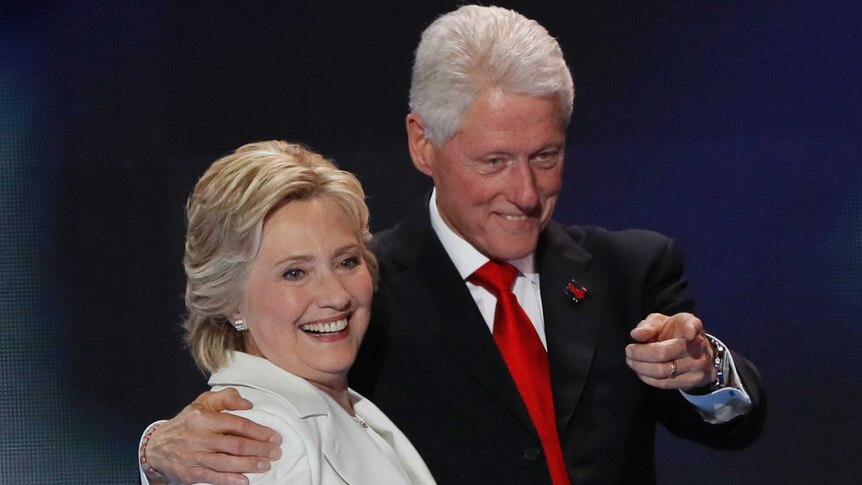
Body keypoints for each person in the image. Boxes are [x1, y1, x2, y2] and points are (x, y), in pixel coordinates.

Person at [139, 6, 765, 485]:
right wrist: (156, 451)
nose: (525, 191)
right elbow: (256, 406)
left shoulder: (631, 270)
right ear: (423, 144)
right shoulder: (362, 292)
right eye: (493, 160)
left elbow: (736, 423)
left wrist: (708, 368)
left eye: (545, 156)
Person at [138, 140, 436, 484]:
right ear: (231, 300)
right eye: (294, 273)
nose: (336, 296)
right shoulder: (262, 441)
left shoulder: (344, 409)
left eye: (346, 262)